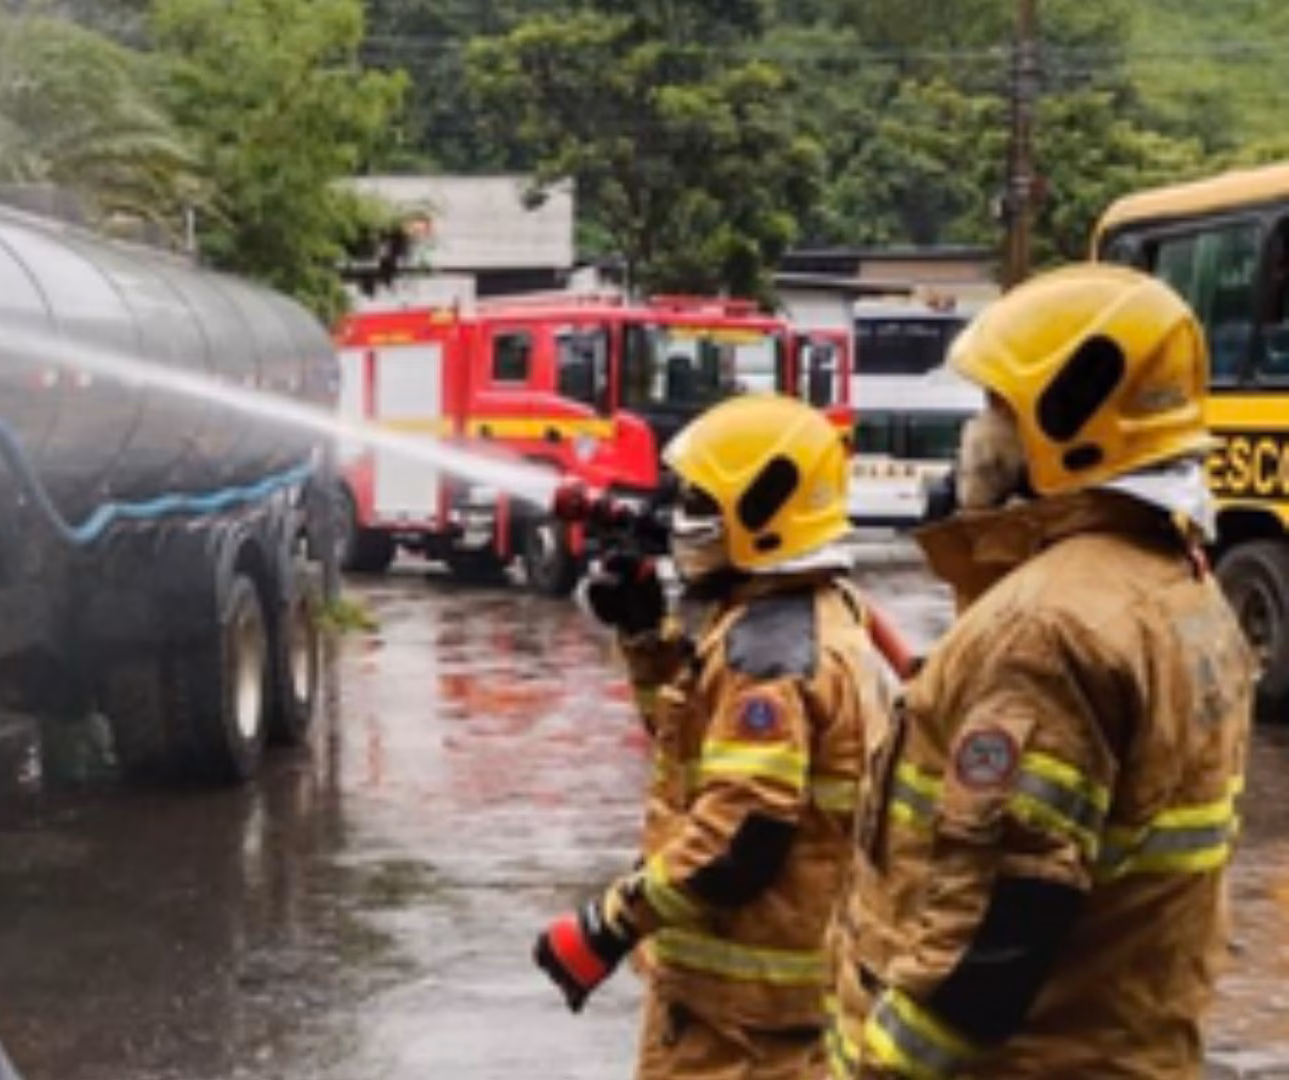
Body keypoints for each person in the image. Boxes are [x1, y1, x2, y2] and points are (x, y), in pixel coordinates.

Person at [825, 264, 1256, 1079]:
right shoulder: (1181, 589)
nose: (978, 433)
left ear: (1065, 422)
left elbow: (993, 937)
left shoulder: (1045, 629)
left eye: (997, 408)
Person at [534, 394, 891, 1079]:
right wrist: (648, 641)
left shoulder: (768, 658)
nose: (683, 522)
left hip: (743, 1029)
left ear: (762, 514)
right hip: (770, 1010)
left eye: (702, 503)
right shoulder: (802, 619)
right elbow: (698, 754)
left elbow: (738, 836)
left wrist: (607, 923)